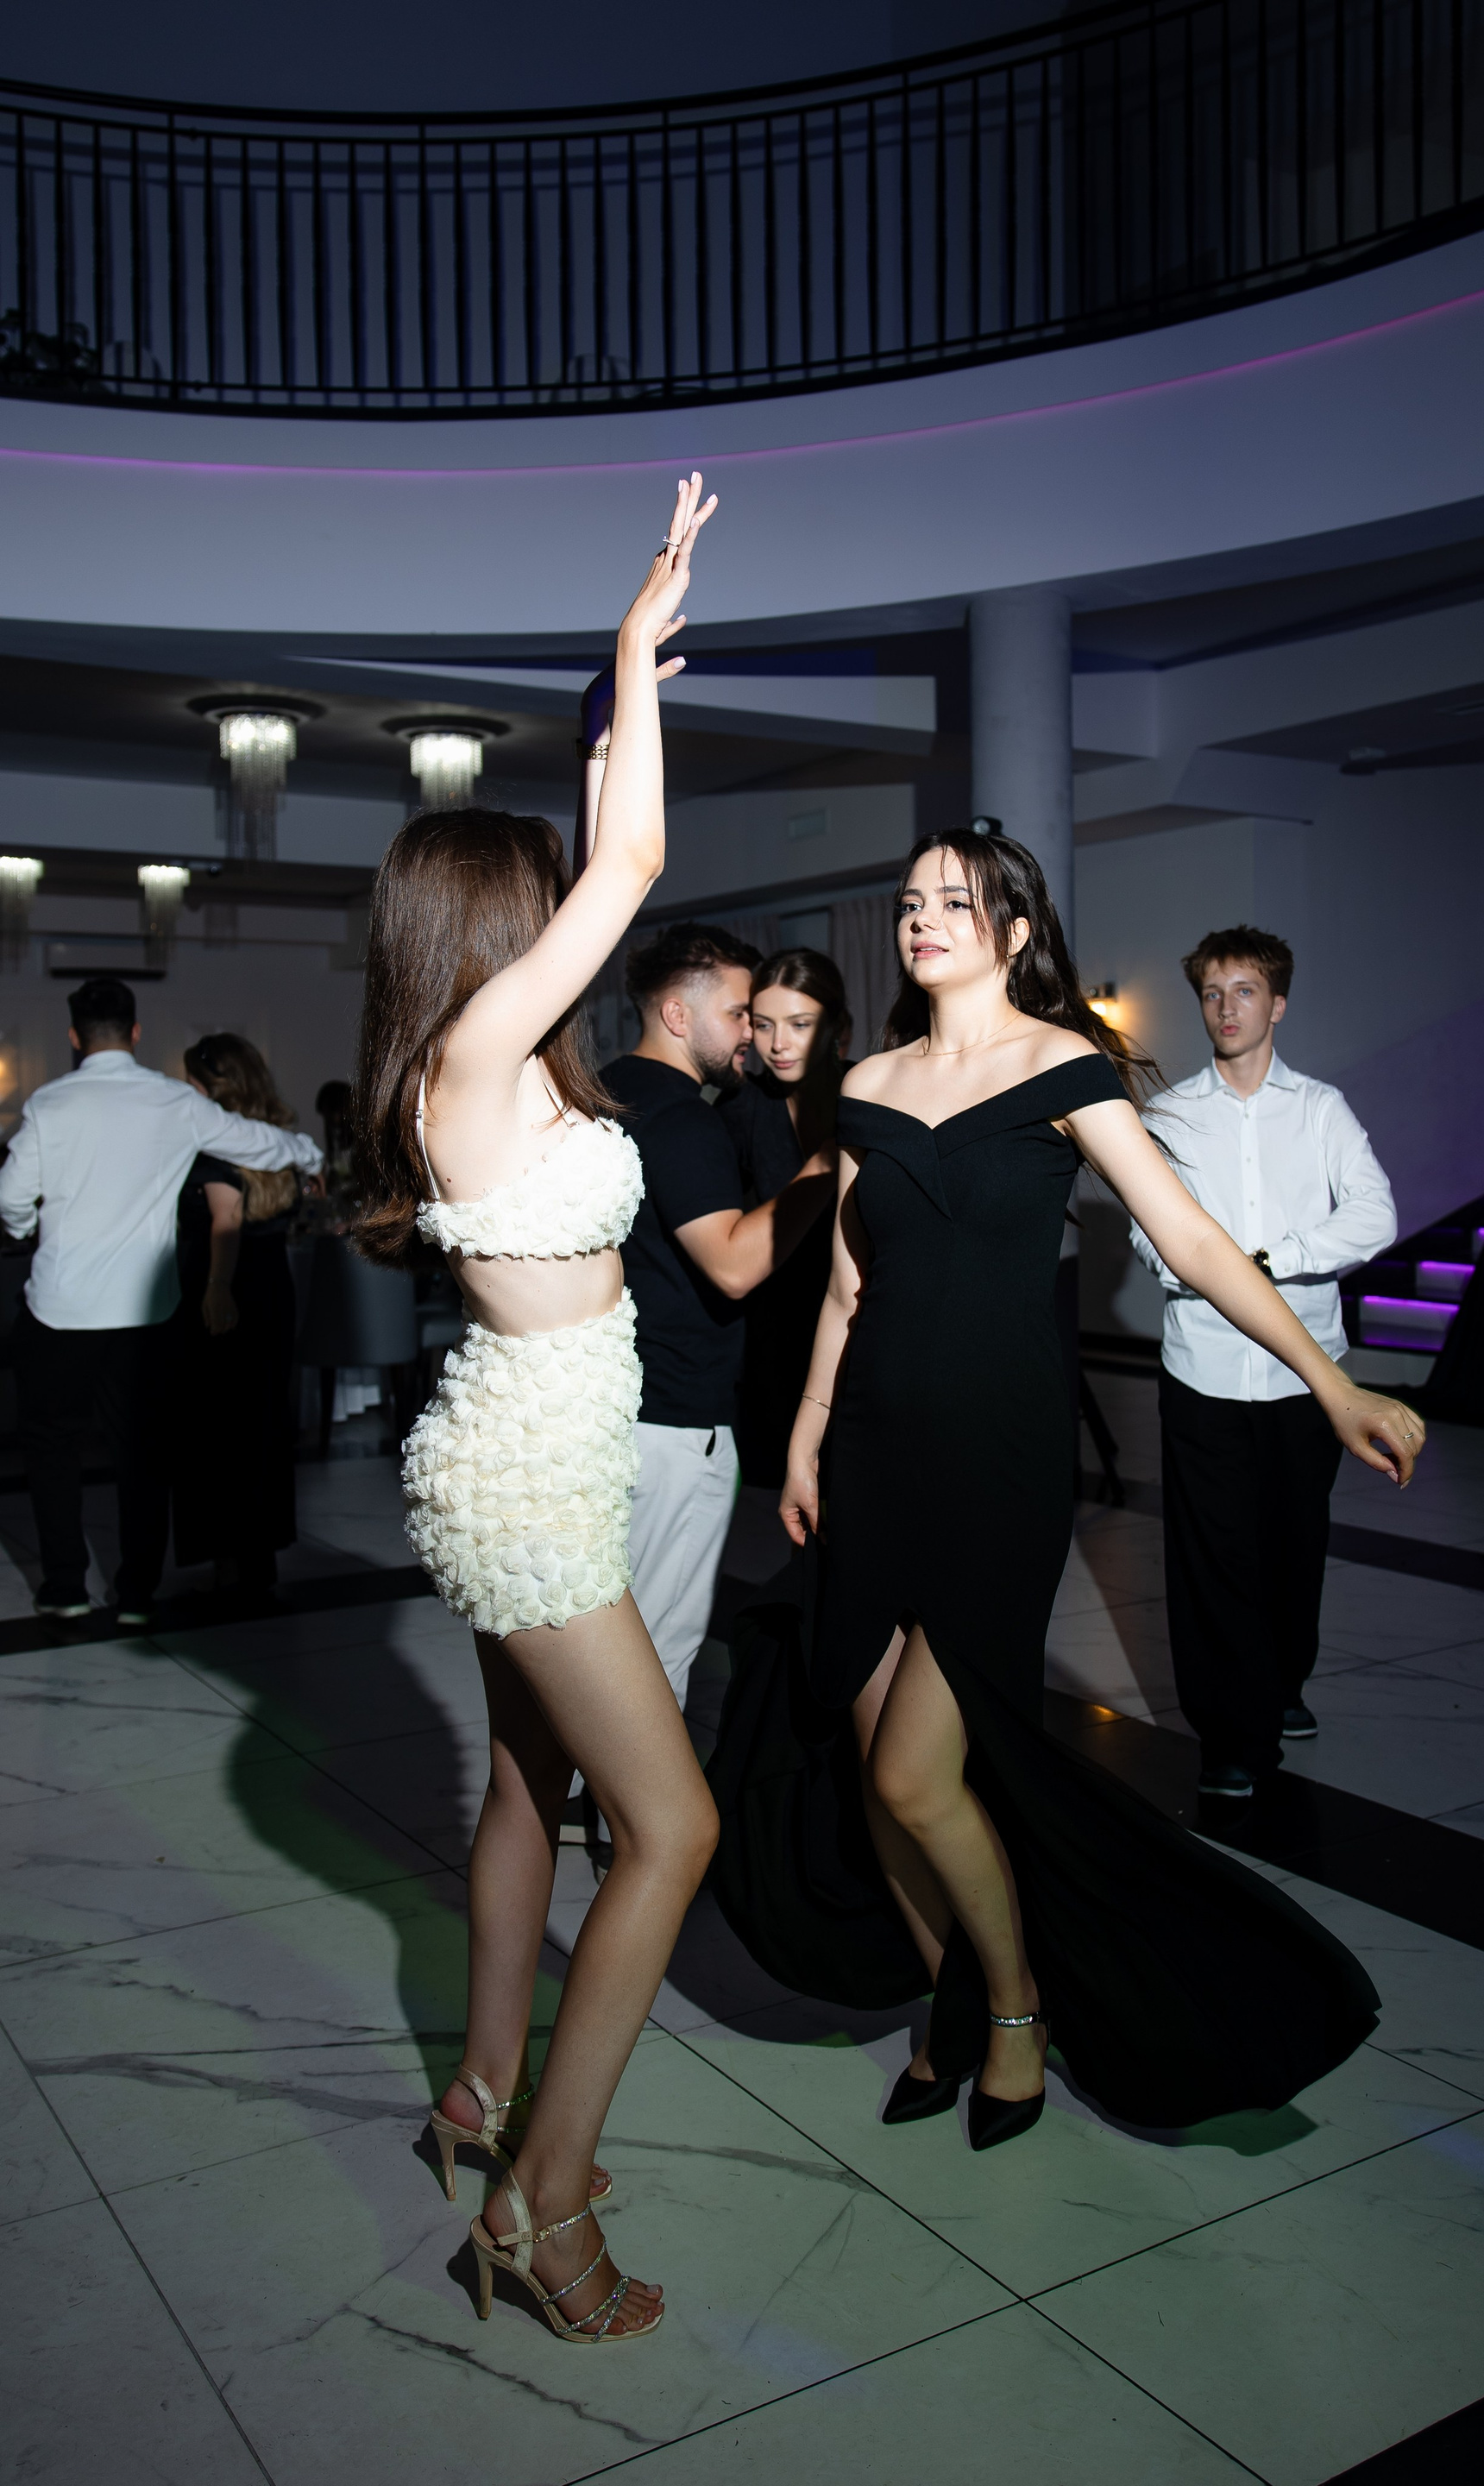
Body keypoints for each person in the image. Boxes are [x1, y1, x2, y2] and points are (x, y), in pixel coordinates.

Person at [709, 829, 1425, 2151]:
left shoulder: (1063, 1068)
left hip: (998, 1460)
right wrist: (807, 1432)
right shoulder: (868, 1081)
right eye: (912, 901)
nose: (924, 919)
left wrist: (1332, 1384)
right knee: (872, 1768)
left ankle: (1016, 2005)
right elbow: (851, 1282)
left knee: (919, 1775)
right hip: (871, 1449)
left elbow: (1191, 1237)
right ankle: (948, 2001)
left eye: (956, 901)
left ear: (1017, 930)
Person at [353, 473, 720, 2346]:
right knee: (675, 1830)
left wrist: (611, 698)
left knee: (526, 1784)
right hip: (538, 1471)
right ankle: (543, 2200)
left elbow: (603, 837)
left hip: (519, 1437)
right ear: (493, 930)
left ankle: (484, 2092)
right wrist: (626, 651)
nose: (559, 913)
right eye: (537, 901)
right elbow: (632, 865)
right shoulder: (480, 1058)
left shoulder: (475, 1067)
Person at [1129, 928, 1398, 1798]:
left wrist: (1269, 1260)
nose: (1226, 1008)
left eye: (1244, 990)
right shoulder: (1169, 1116)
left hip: (1304, 1375)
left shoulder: (1321, 1109)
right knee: (1212, 1557)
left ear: (1277, 1003)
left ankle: (1281, 1685)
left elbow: (1374, 1214)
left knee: (1293, 1543)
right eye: (1212, 993)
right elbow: (1151, 1238)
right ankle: (1230, 1736)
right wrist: (1207, 1268)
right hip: (1201, 1370)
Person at [0, 977, 320, 1628]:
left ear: (74, 1037)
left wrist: (23, 1228)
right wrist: (309, 1152)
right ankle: (137, 1595)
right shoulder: (174, 1102)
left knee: (53, 1450)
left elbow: (10, 1199)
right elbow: (257, 1142)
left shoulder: (49, 1104)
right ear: (137, 1032)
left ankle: (64, 1586)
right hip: (145, 1317)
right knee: (141, 1456)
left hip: (60, 1310)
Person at [601, 924, 835, 1709]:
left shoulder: (601, 1091)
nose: (751, 1037)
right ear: (678, 1014)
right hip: (676, 1417)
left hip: (619, 1399)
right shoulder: (683, 1118)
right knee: (656, 1652)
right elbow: (733, 1266)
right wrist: (824, 1165)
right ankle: (640, 1791)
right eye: (739, 1014)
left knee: (610, 1635)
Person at [173, 1034, 305, 1603]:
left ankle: (230, 1565)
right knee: (264, 1418)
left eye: (191, 1080)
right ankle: (259, 1557)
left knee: (218, 1425)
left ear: (214, 1086)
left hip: (223, 1285)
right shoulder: (275, 1140)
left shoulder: (216, 1146)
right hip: (271, 1286)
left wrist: (217, 1287)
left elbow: (224, 1220)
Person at [720, 947, 850, 1486]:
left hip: (861, 1330)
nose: (778, 1044)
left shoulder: (873, 1093)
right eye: (764, 1024)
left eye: (799, 1024)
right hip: (773, 1334)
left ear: (839, 1029)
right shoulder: (740, 1108)